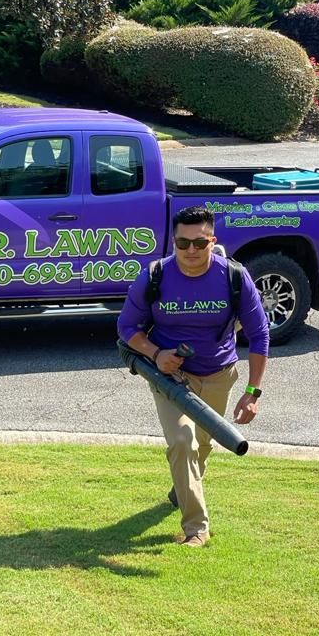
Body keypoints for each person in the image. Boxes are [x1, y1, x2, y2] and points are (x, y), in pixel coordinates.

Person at [117, 206, 269, 547]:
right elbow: (126, 327)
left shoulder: (233, 276)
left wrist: (253, 391)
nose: (189, 251)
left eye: (199, 244)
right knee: (182, 443)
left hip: (219, 374)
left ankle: (181, 489)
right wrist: (156, 354)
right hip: (169, 377)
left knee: (202, 445)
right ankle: (196, 529)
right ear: (173, 242)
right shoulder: (155, 276)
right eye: (182, 243)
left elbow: (259, 335)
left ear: (212, 241)